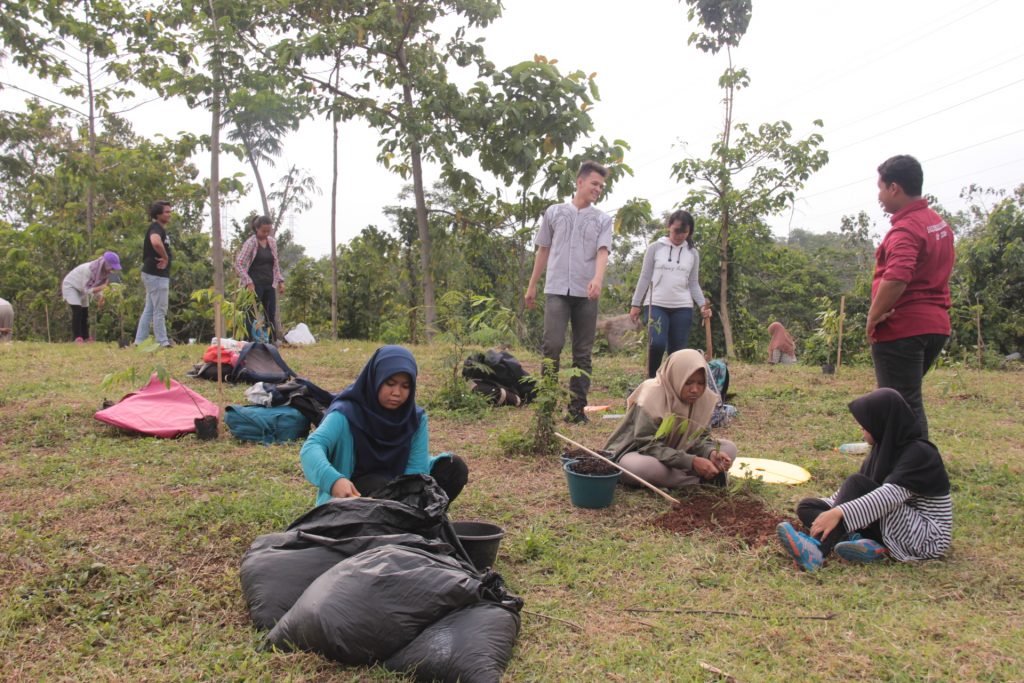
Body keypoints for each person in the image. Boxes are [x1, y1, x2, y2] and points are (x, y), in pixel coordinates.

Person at [777, 388, 952, 572]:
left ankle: (816, 552)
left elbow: (888, 497)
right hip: (893, 522)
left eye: (866, 421)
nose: (861, 426)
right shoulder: (882, 450)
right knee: (808, 507)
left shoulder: (920, 453)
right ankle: (864, 544)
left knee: (854, 486)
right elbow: (857, 494)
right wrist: (830, 509)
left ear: (882, 421)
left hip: (925, 537)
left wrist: (837, 513)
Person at [300, 345, 469, 506]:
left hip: (399, 489)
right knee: (377, 482)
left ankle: (412, 522)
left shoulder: (414, 419)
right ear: (375, 379)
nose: (397, 393)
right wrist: (334, 480)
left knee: (454, 468)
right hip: (354, 495)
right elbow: (312, 448)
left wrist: (409, 501)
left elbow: (416, 474)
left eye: (405, 386)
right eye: (390, 383)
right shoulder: (346, 413)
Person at [868, 155, 953, 439]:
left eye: (881, 188)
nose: (879, 196)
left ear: (895, 188)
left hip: (903, 328)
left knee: (903, 406)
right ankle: (892, 463)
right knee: (905, 400)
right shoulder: (937, 224)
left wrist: (874, 316)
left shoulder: (906, 229)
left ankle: (916, 474)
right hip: (935, 326)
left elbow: (897, 277)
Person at [525, 160, 613, 424]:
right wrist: (532, 285)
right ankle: (547, 405)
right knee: (552, 345)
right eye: (594, 184)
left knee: (582, 352)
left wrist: (597, 278)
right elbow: (543, 249)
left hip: (587, 293)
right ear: (580, 182)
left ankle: (577, 410)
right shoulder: (554, 213)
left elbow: (603, 251)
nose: (598, 189)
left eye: (601, 186)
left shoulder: (602, 219)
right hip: (556, 289)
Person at [602, 349, 737, 489]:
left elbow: (699, 439)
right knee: (637, 466)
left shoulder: (704, 398)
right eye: (688, 382)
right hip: (641, 453)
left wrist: (711, 453)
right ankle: (698, 481)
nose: (695, 390)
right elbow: (647, 445)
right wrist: (691, 462)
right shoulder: (651, 396)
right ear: (676, 376)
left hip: (679, 453)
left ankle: (682, 476)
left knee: (729, 448)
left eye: (701, 383)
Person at [629, 210, 711, 378]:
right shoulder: (655, 248)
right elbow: (645, 277)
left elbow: (693, 283)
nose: (680, 236)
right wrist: (636, 304)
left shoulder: (692, 253)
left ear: (689, 232)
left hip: (682, 307)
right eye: (676, 231)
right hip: (656, 304)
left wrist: (703, 305)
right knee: (657, 344)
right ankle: (652, 380)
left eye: (684, 232)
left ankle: (672, 384)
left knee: (677, 352)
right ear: (669, 227)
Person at [234, 215, 285, 342]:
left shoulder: (272, 242)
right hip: (255, 284)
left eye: (268, 231)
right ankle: (250, 341)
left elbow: (275, 263)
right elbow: (239, 263)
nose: (266, 234)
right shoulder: (250, 243)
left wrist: (280, 281)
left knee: (270, 313)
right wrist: (248, 281)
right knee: (251, 314)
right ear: (257, 229)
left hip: (269, 283)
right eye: (263, 231)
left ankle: (272, 341)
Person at [134, 200, 174, 347]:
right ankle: (162, 341)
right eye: (166, 212)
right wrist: (165, 257)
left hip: (153, 274)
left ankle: (140, 340)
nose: (169, 215)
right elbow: (155, 242)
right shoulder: (156, 228)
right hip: (156, 274)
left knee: (150, 308)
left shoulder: (159, 228)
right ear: (158, 214)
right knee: (160, 309)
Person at [61, 251, 122, 342]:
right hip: (71, 286)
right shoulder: (89, 269)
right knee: (77, 310)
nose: (112, 269)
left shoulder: (104, 273)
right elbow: (87, 289)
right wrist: (102, 288)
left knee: (85, 312)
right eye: (111, 267)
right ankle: (77, 337)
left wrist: (101, 297)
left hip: (82, 289)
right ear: (106, 264)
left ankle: (85, 337)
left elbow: (97, 288)